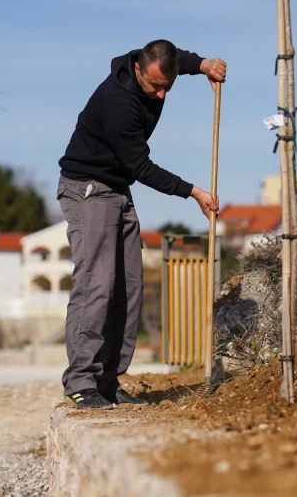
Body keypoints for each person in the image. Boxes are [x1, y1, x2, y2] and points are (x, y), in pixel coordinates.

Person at [57, 39, 226, 409]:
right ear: (138, 70)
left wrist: (203, 65)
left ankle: (107, 380)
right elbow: (141, 168)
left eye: (168, 86)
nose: (162, 95)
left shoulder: (158, 65)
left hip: (117, 191)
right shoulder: (118, 103)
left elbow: (177, 59)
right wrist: (193, 192)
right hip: (88, 189)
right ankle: (81, 381)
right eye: (155, 87)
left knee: (129, 288)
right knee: (96, 285)